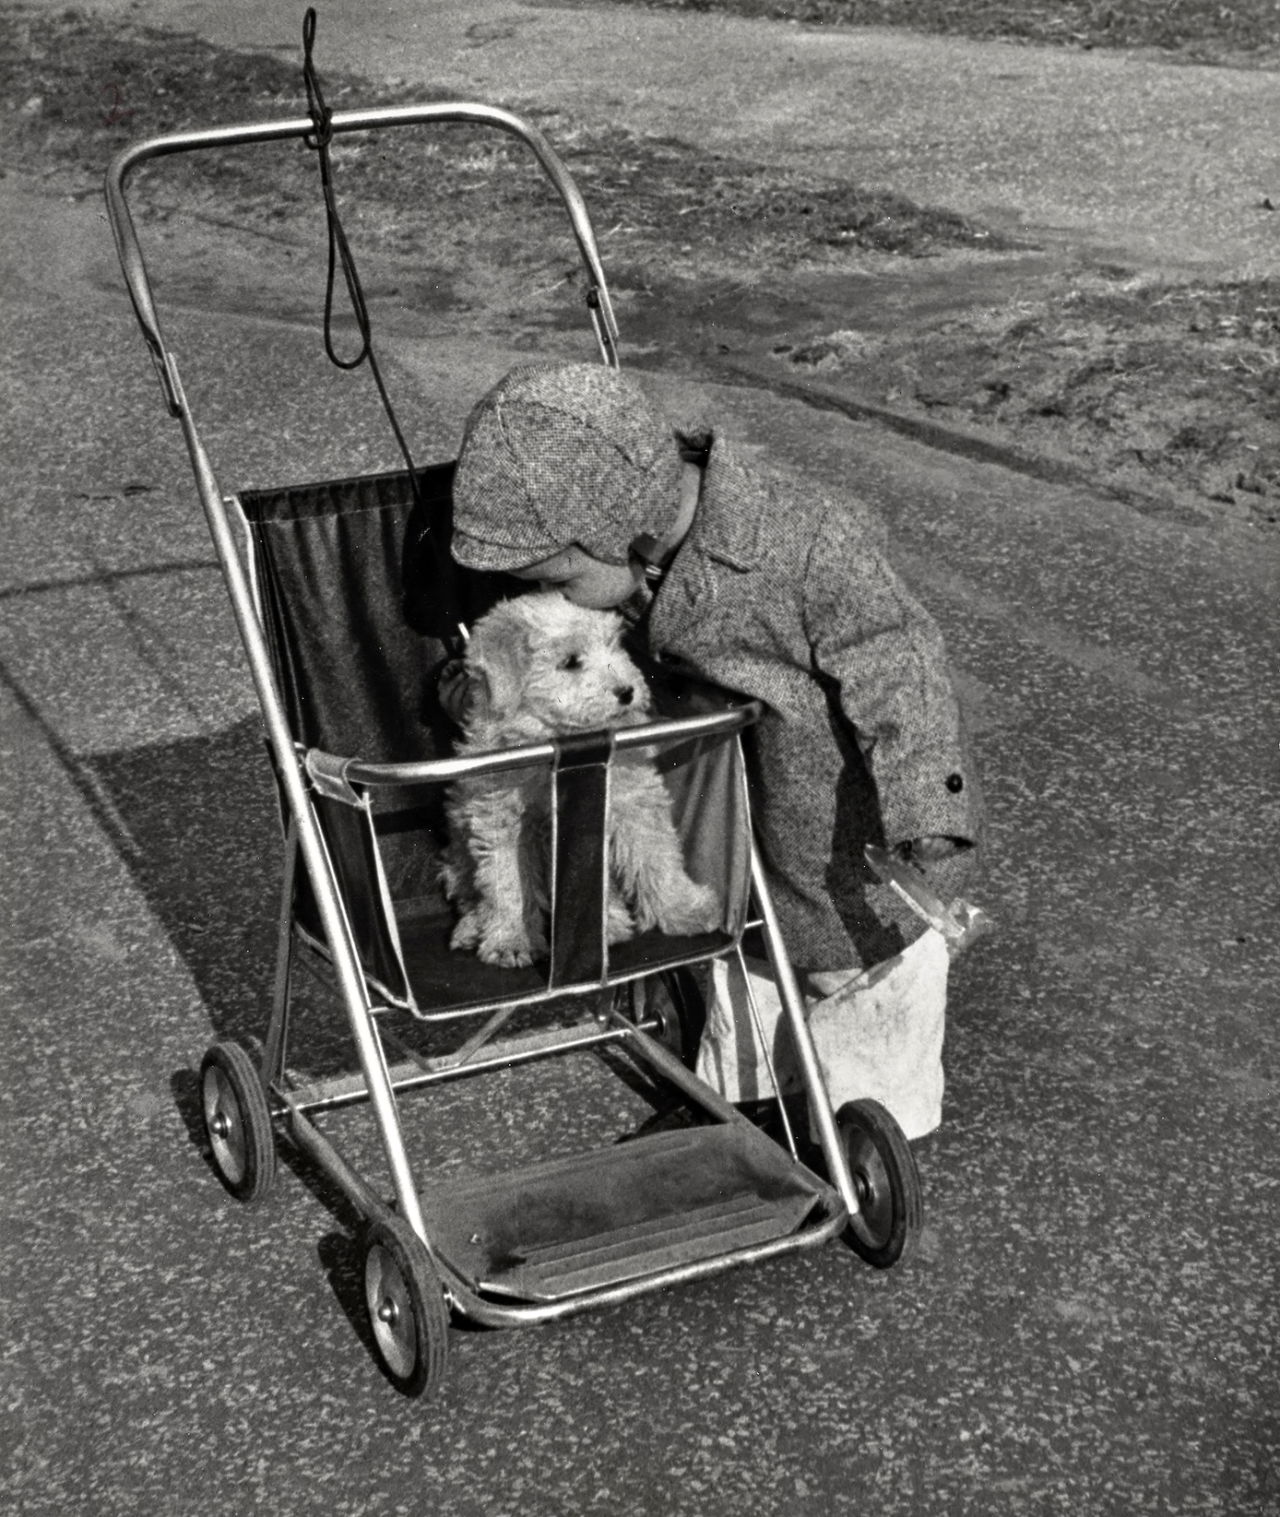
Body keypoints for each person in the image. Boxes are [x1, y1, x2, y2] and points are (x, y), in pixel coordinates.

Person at [444, 361, 983, 1140]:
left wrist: (929, 803)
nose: (550, 593)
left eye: (556, 575)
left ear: (618, 533)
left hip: (848, 844)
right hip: (735, 839)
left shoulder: (802, 541)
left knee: (862, 987)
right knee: (749, 978)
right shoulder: (632, 558)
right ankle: (745, 1114)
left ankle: (858, 1138)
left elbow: (899, 660)